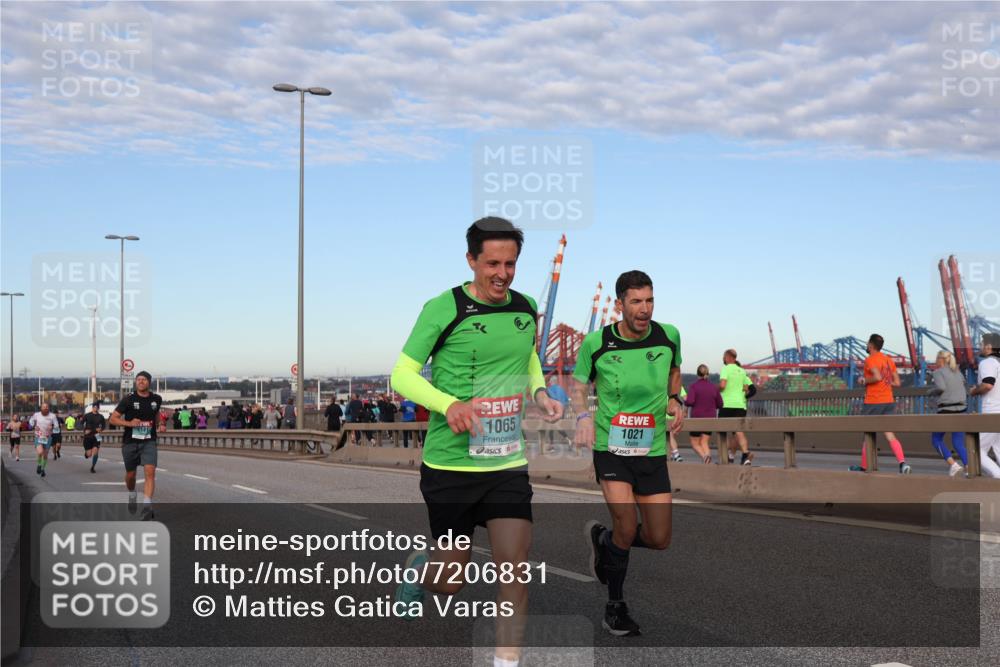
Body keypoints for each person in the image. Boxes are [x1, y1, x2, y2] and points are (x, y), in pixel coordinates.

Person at [391, 217, 562, 667]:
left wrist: (540, 392)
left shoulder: (524, 307)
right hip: (451, 466)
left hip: (505, 464)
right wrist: (448, 405)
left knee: (515, 571)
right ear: (471, 260)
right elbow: (402, 374)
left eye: (510, 263)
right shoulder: (443, 308)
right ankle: (420, 570)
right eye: (492, 263)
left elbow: (527, 357)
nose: (502, 274)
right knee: (451, 581)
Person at [573, 270, 682, 637]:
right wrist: (584, 416)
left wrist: (674, 397)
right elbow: (577, 385)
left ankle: (603, 542)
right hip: (611, 447)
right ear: (619, 305)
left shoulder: (669, 335)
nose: (644, 309)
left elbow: (675, 370)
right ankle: (615, 608)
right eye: (636, 302)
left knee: (659, 538)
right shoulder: (597, 343)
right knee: (626, 523)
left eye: (649, 300)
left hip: (650, 450)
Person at [851, 334, 910, 474]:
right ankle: (903, 464)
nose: (866, 345)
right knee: (889, 434)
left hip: (873, 401)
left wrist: (863, 380)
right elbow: (897, 383)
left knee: (868, 434)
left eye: (867, 343)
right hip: (888, 400)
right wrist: (886, 383)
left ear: (871, 345)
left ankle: (865, 466)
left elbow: (877, 377)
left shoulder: (870, 360)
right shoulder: (888, 360)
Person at [109, 370, 165, 520]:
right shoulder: (128, 399)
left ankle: (147, 506)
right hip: (130, 443)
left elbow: (156, 413)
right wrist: (129, 423)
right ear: (136, 382)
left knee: (150, 472)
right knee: (131, 475)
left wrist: (161, 424)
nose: (141, 382)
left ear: (149, 382)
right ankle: (132, 493)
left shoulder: (156, 399)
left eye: (144, 379)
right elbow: (113, 419)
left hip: (149, 441)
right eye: (138, 379)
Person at [928, 350, 969, 476]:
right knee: (958, 442)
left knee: (936, 439)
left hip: (946, 411)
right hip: (962, 409)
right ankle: (969, 468)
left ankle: (953, 465)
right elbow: (963, 384)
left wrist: (930, 392)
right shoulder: (958, 372)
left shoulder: (937, 372)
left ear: (941, 360)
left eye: (936, 359)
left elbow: (941, 388)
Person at [970, 332, 1000, 478]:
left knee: (975, 450)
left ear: (989, 346)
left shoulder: (987, 363)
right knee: (998, 449)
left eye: (982, 344)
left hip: (992, 412)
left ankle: (998, 477)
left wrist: (974, 391)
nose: (980, 346)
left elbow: (988, 385)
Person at [718, 350, 754, 465]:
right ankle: (744, 455)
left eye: (724, 357)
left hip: (727, 404)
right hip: (740, 405)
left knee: (721, 432)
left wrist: (716, 390)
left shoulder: (725, 369)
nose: (723, 359)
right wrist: (743, 396)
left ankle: (723, 458)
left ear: (728, 357)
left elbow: (723, 385)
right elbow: (748, 388)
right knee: (738, 432)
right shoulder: (742, 371)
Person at [685, 364, 723, 463]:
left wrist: (685, 400)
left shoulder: (693, 386)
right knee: (704, 441)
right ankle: (708, 462)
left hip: (697, 418)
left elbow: (690, 402)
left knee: (695, 443)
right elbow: (720, 404)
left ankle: (705, 458)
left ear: (697, 374)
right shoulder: (713, 387)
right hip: (710, 418)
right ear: (708, 374)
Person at [30, 404, 60, 477]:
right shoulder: (36, 415)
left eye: (47, 407)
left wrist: (52, 427)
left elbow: (57, 426)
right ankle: (39, 465)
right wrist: (34, 426)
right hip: (39, 436)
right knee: (40, 452)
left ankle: (43, 469)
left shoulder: (52, 416)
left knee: (45, 455)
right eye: (44, 407)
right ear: (41, 408)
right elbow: (31, 421)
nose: (46, 408)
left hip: (47, 437)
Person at [81, 402, 106, 473]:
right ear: (92, 407)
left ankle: (93, 467)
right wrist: (85, 430)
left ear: (98, 408)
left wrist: (101, 429)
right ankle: (86, 454)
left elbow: (104, 425)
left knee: (95, 452)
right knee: (89, 455)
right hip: (88, 436)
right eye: (94, 407)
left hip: (96, 436)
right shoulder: (87, 415)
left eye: (97, 407)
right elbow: (80, 424)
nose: (96, 408)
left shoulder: (101, 416)